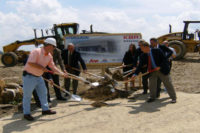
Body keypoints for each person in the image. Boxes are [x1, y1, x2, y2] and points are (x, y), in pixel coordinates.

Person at [22, 38, 68, 121]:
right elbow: (30, 63)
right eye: (53, 47)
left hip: (39, 77)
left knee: (43, 93)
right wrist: (42, 68)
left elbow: (53, 67)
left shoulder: (49, 56)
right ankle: (26, 113)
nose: (54, 49)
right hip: (29, 76)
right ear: (49, 45)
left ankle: (45, 109)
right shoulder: (36, 52)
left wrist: (61, 73)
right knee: (27, 96)